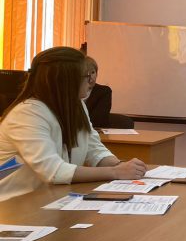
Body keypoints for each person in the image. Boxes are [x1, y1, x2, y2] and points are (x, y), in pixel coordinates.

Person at [0, 47, 146, 202]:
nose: (91, 81)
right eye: (86, 75)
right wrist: (115, 172)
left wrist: (120, 165)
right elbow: (54, 171)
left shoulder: (76, 105)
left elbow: (93, 148)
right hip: (13, 204)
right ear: (66, 80)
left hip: (51, 198)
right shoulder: (27, 114)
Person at [83, 56, 112, 128]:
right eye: (86, 73)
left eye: (93, 72)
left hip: (96, 132)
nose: (90, 77)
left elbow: (97, 121)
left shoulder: (104, 91)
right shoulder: (70, 91)